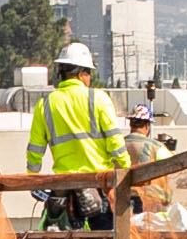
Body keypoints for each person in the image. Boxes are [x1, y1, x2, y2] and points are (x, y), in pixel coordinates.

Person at [26, 41, 129, 229]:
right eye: (88, 72)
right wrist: (126, 170)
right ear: (82, 73)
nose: (89, 77)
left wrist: (32, 178)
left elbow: (35, 150)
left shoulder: (46, 104)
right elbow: (116, 143)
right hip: (98, 186)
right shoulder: (99, 99)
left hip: (62, 191)